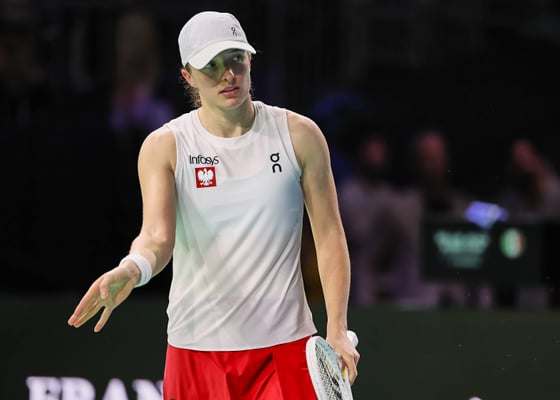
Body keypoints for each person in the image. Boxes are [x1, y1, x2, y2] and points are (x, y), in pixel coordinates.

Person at [67, 11, 359, 399]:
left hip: (285, 349)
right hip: (195, 351)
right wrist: (133, 268)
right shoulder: (165, 146)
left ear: (250, 60)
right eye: (211, 66)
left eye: (236, 59)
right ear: (188, 76)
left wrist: (337, 327)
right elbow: (156, 237)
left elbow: (329, 235)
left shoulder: (300, 136)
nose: (228, 75)